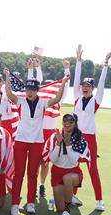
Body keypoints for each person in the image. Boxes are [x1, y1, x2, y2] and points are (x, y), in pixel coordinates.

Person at [5, 66, 69, 215]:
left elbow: (58, 99)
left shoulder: (43, 103)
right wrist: (7, 76)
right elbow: (8, 93)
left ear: (37, 90)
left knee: (32, 174)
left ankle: (31, 203)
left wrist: (63, 82)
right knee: (19, 173)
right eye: (27, 89)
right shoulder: (20, 100)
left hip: (37, 142)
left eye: (32, 90)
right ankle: (15, 204)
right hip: (20, 141)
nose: (29, 92)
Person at [73, 44, 111, 211]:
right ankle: (72, 195)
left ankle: (99, 200)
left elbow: (102, 84)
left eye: (88, 86)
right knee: (73, 166)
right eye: (83, 85)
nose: (85, 87)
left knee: (92, 169)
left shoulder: (96, 100)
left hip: (90, 137)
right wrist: (78, 61)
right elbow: (75, 80)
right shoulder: (76, 97)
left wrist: (105, 65)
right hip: (75, 137)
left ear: (92, 88)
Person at [26, 58, 71, 199]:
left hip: (50, 135)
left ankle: (42, 185)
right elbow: (32, 84)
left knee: (45, 163)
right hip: (36, 133)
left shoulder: (57, 100)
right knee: (33, 164)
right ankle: (31, 189)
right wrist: (36, 68)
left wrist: (67, 69)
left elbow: (65, 87)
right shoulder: (37, 100)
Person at [46, 113, 90, 215]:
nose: (67, 123)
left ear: (75, 124)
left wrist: (68, 145)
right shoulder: (55, 137)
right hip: (57, 173)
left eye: (71, 122)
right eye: (65, 121)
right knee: (59, 208)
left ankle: (67, 210)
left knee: (67, 178)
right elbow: (53, 159)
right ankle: (69, 197)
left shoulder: (80, 139)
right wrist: (58, 143)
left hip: (73, 173)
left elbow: (73, 161)